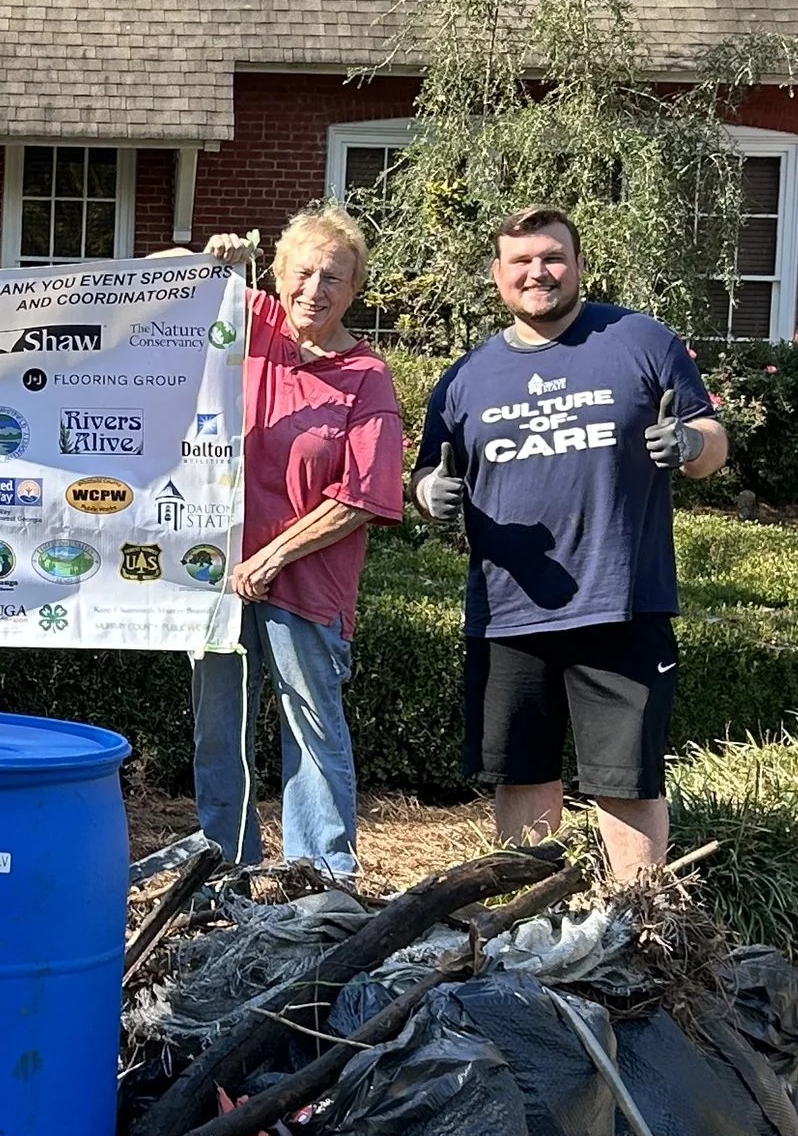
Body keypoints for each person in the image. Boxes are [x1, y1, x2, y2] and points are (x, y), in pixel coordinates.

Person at [410, 205, 729, 879]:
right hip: (509, 612)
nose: (538, 272)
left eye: (552, 256)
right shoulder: (465, 379)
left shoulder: (640, 340)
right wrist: (427, 496)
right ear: (497, 274)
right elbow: (430, 470)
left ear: (579, 264)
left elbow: (712, 441)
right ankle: (525, 930)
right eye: (521, 261)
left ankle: (637, 923)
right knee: (521, 776)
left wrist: (691, 444)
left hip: (622, 601)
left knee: (626, 780)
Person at [182, 207, 405, 877]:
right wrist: (207, 260)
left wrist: (273, 556)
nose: (315, 288)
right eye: (303, 272)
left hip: (306, 587)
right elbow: (154, 285)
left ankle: (321, 880)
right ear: (277, 275)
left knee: (311, 732)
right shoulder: (249, 323)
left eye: (333, 276)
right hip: (221, 581)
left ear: (355, 287)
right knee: (220, 735)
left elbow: (362, 495)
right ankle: (226, 874)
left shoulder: (367, 375)